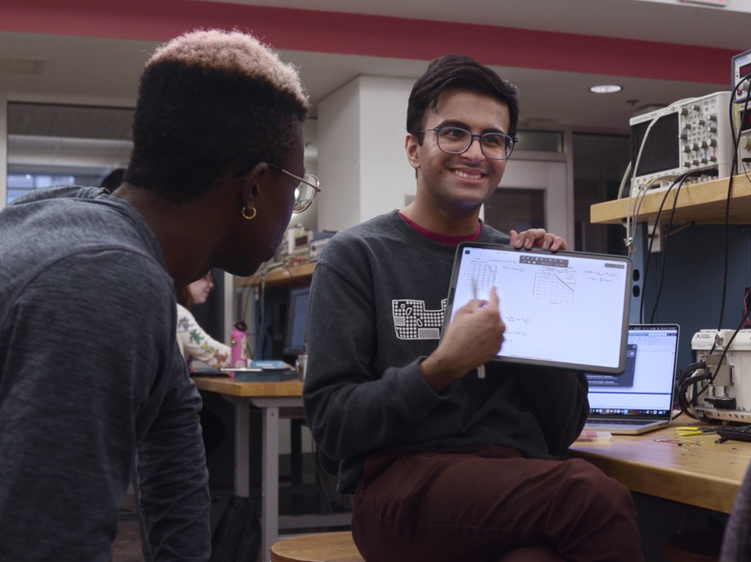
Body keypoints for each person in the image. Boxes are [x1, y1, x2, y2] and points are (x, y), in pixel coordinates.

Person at [302, 54, 642, 562]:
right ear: (414, 149)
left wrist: (542, 297)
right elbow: (332, 428)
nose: (475, 152)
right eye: (454, 133)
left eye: (493, 139)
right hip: (400, 487)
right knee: (590, 495)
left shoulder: (518, 259)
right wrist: (441, 367)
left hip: (513, 485)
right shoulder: (358, 255)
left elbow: (562, 428)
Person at [0, 29, 313, 561]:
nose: (295, 206)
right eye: (298, 187)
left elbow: (174, 466)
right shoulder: (104, 280)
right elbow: (44, 543)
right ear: (255, 188)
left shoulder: (96, 238)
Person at [176, 271, 231, 371]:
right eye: (205, 278)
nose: (211, 284)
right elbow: (210, 351)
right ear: (188, 278)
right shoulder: (178, 314)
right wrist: (257, 367)